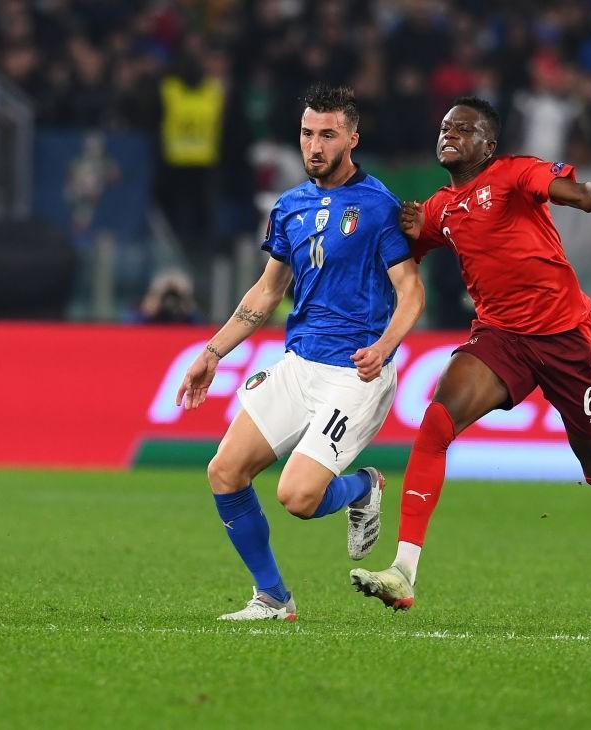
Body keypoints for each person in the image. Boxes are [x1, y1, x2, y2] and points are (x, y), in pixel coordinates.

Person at [350, 97, 591, 612]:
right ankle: (403, 570)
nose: (450, 135)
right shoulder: (440, 206)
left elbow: (580, 195)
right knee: (437, 425)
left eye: (463, 129)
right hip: (501, 338)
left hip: (568, 337)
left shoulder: (516, 173)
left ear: (488, 145)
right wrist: (407, 233)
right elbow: (407, 255)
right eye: (445, 127)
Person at [175, 84, 424, 621]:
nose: (315, 145)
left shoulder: (379, 207)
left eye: (328, 135)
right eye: (308, 133)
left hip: (353, 376)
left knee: (298, 498)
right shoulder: (290, 206)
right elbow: (267, 292)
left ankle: (362, 487)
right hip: (298, 366)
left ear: (352, 139)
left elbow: (411, 292)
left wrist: (384, 347)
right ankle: (273, 598)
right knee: (224, 471)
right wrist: (213, 352)